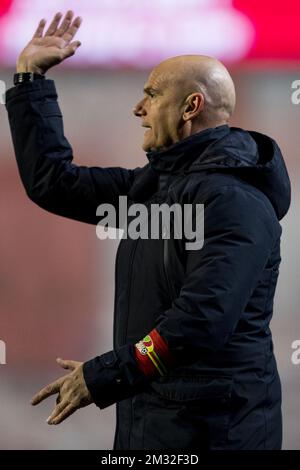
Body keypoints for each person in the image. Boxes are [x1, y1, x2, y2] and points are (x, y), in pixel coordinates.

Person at [5, 11, 291, 450]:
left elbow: (201, 321)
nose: (138, 108)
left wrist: (103, 375)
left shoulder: (235, 202)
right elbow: (55, 183)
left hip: (215, 435)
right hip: (155, 424)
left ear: (191, 106)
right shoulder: (154, 189)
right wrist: (29, 82)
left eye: (151, 95)